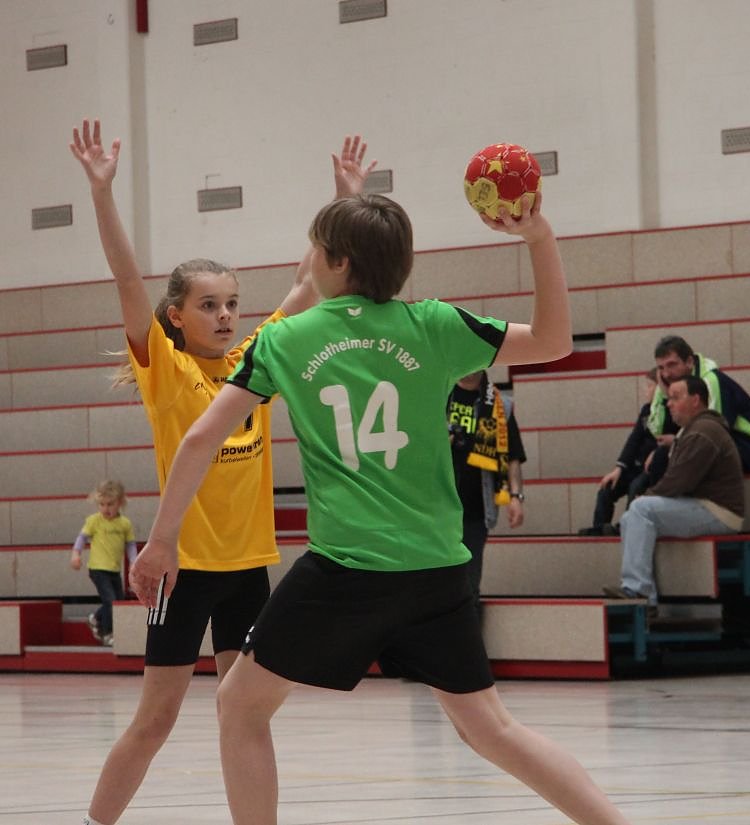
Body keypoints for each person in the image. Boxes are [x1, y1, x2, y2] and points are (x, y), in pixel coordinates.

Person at [131, 191, 633, 825]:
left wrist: (162, 539)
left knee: (241, 705)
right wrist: (539, 237)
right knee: (492, 730)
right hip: (436, 568)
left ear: (336, 261)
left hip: (345, 570)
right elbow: (556, 339)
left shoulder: (287, 339)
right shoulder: (435, 324)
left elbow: (202, 437)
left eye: (314, 244)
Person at [70, 119, 375, 825]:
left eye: (232, 303)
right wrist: (102, 194)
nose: (226, 314)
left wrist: (342, 202)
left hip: (248, 569)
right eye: (209, 305)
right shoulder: (166, 368)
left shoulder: (258, 358)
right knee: (156, 721)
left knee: (246, 717)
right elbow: (124, 277)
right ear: (175, 316)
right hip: (179, 571)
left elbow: (308, 281)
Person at [604, 375, 745, 610]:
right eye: (668, 398)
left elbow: (680, 481)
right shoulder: (693, 430)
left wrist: (648, 496)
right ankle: (641, 594)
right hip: (704, 505)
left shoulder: (704, 431)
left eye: (676, 398)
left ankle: (638, 590)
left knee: (640, 509)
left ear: (696, 400)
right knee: (631, 517)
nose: (669, 403)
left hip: (719, 511)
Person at [447, 370, 526, 614]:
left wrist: (516, 497)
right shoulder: (439, 394)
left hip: (475, 509)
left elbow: (513, 456)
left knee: (469, 584)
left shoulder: (500, 404)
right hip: (438, 506)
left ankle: (466, 647)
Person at [647, 334, 750, 474]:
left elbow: (713, 432)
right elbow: (657, 431)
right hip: (715, 441)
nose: (666, 374)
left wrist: (676, 443)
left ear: (689, 362)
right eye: (661, 368)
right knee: (652, 468)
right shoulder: (668, 382)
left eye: (672, 365)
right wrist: (667, 397)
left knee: (672, 458)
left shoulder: (711, 381)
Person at [579, 367, 660, 536]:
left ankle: (627, 525)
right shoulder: (646, 410)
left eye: (650, 386)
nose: (646, 390)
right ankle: (600, 527)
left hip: (651, 468)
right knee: (607, 487)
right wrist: (619, 467)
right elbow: (634, 439)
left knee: (635, 486)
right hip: (636, 465)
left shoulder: (667, 410)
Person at [70, 480, 137, 646]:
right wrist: (76, 553)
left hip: (114, 569)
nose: (105, 509)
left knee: (118, 602)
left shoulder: (124, 524)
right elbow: (82, 537)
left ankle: (95, 618)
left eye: (110, 504)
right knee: (111, 601)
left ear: (120, 503)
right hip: (98, 568)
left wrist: (134, 562)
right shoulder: (95, 520)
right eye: (102, 504)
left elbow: (130, 545)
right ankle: (107, 633)